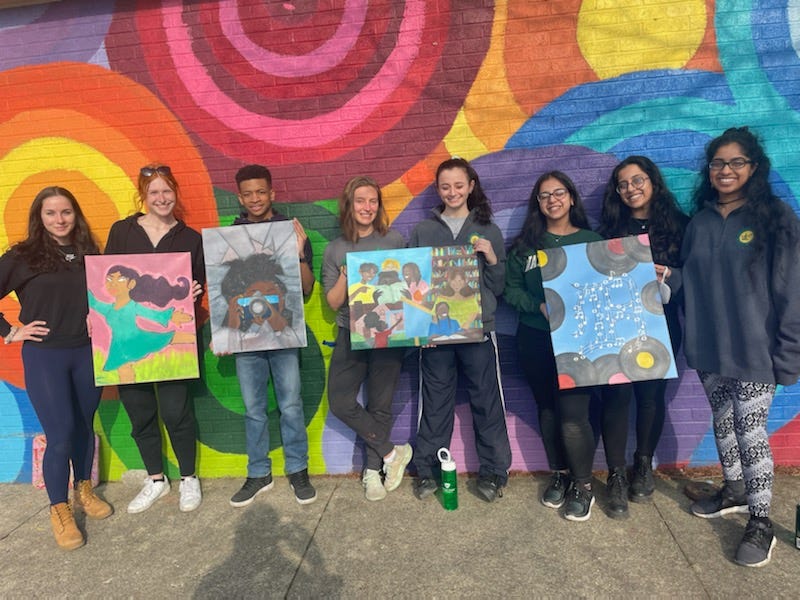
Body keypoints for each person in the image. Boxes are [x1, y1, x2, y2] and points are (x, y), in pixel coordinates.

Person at [681, 127, 800, 567]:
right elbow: (690, 281)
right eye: (717, 163)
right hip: (710, 350)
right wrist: (662, 279)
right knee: (723, 422)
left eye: (736, 163)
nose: (726, 171)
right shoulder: (701, 222)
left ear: (753, 167)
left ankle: (761, 521)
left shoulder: (775, 218)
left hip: (756, 353)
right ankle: (733, 489)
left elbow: (792, 290)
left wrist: (789, 354)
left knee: (751, 434)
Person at [0, 186, 111, 549]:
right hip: (45, 355)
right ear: (40, 217)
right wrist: (11, 331)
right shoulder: (22, 256)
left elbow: (109, 297)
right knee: (60, 433)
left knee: (83, 425)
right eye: (51, 213)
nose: (60, 220)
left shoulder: (89, 253)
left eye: (66, 212)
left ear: (75, 214)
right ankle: (59, 509)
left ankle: (84, 489)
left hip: (86, 353)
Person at [104, 165, 205, 514]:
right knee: (140, 412)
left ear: (175, 192)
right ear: (143, 197)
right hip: (126, 341)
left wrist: (194, 290)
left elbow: (199, 285)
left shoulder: (191, 239)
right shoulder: (122, 231)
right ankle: (157, 480)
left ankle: (189, 478)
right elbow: (104, 279)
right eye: (153, 193)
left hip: (170, 338)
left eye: (167, 191)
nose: (161, 198)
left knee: (178, 412)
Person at [410, 157, 511, 503]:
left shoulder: (489, 230)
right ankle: (426, 471)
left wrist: (492, 258)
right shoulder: (424, 231)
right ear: (438, 190)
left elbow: (497, 288)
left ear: (471, 186)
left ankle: (494, 472)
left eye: (458, 185)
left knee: (487, 401)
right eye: (444, 186)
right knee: (435, 403)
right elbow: (414, 288)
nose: (452, 192)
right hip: (436, 335)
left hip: (479, 333)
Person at [504, 171, 602, 520]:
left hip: (579, 341)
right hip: (534, 338)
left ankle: (583, 485)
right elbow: (510, 289)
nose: (552, 200)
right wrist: (538, 305)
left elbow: (607, 288)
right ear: (538, 204)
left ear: (572, 198)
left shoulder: (593, 241)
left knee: (574, 416)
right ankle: (559, 475)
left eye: (559, 193)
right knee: (547, 410)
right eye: (544, 196)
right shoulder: (525, 246)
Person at [597, 156, 689, 518]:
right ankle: (616, 474)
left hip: (662, 324)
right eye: (623, 184)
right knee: (616, 397)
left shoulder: (680, 226)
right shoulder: (609, 229)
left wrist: (668, 273)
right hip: (618, 326)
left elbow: (695, 279)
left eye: (637, 181)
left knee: (651, 398)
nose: (631, 189)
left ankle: (643, 465)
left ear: (653, 182)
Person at [223, 164, 317, 507]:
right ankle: (259, 472)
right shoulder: (229, 236)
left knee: (291, 405)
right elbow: (225, 291)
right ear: (240, 197)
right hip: (247, 338)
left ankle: (297, 470)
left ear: (272, 193)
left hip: (284, 334)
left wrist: (298, 255)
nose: (255, 199)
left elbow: (306, 290)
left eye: (261, 192)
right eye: (247, 194)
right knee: (254, 410)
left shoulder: (290, 230)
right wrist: (223, 333)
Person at [322, 175, 413, 501]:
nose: (367, 207)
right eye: (360, 200)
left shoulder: (394, 242)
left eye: (373, 201)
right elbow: (332, 304)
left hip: (389, 334)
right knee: (341, 401)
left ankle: (372, 471)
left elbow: (410, 291)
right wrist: (348, 275)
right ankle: (392, 453)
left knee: (380, 403)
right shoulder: (336, 248)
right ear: (349, 205)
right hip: (351, 332)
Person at [89, 265, 196, 383]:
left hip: (138, 339)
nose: (113, 284)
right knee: (123, 368)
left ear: (131, 284)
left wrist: (171, 316)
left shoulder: (133, 306)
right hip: (118, 345)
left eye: (120, 280)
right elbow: (93, 303)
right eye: (109, 279)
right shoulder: (108, 309)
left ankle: (195, 340)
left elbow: (153, 314)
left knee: (168, 337)